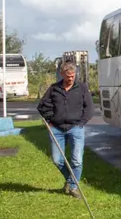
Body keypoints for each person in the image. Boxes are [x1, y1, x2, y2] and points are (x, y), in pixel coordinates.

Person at [37, 61, 94, 198]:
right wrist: (50, 120)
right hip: (56, 129)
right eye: (68, 76)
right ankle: (71, 180)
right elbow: (42, 106)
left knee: (77, 161)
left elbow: (90, 108)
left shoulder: (82, 88)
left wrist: (82, 123)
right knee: (57, 160)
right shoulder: (53, 88)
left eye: (73, 76)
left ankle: (73, 187)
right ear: (62, 74)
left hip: (76, 128)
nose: (70, 78)